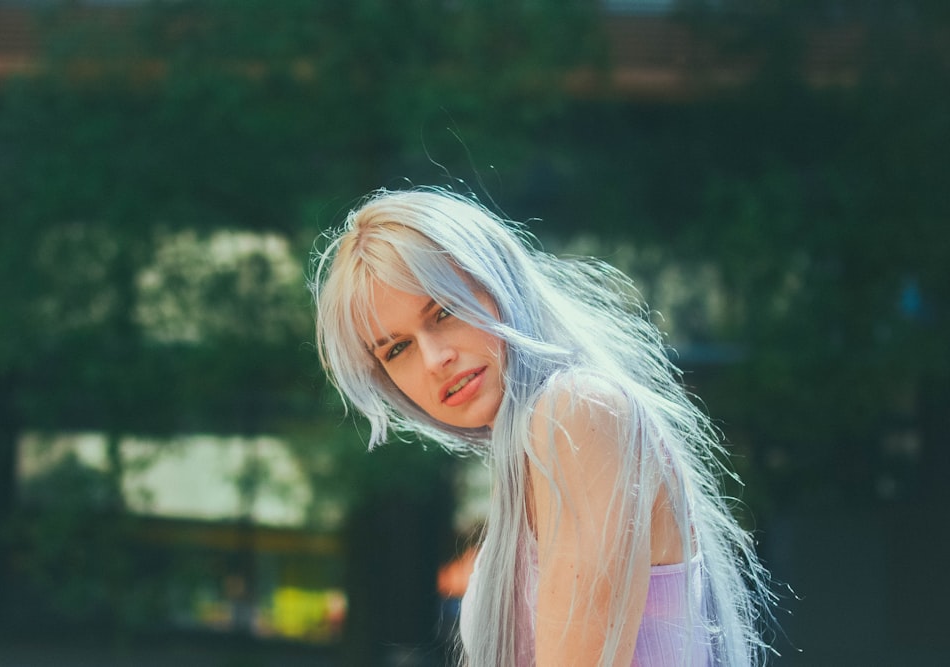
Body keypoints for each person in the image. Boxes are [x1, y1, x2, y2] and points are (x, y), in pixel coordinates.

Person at [310, 187, 774, 666]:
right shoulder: (535, 443)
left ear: (499, 281)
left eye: (444, 311)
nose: (434, 359)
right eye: (397, 349)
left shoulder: (576, 412)